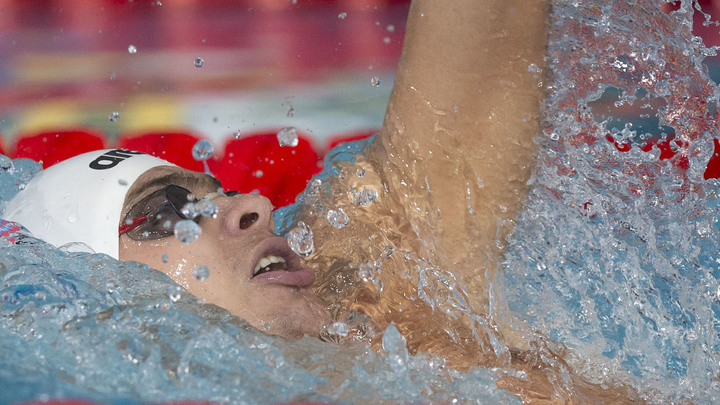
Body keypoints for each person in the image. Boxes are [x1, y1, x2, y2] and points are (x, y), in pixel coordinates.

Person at [4, 0, 632, 402]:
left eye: (218, 190)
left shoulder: (391, 303)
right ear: (95, 303)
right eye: (170, 208)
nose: (253, 201)